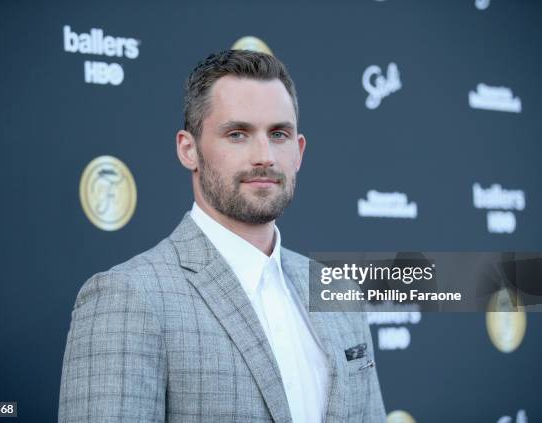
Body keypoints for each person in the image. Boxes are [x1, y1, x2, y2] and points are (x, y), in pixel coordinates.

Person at [59, 49, 386, 422]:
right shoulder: (130, 297)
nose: (264, 155)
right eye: (237, 134)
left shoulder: (338, 293)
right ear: (189, 149)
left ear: (298, 152)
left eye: (278, 134)